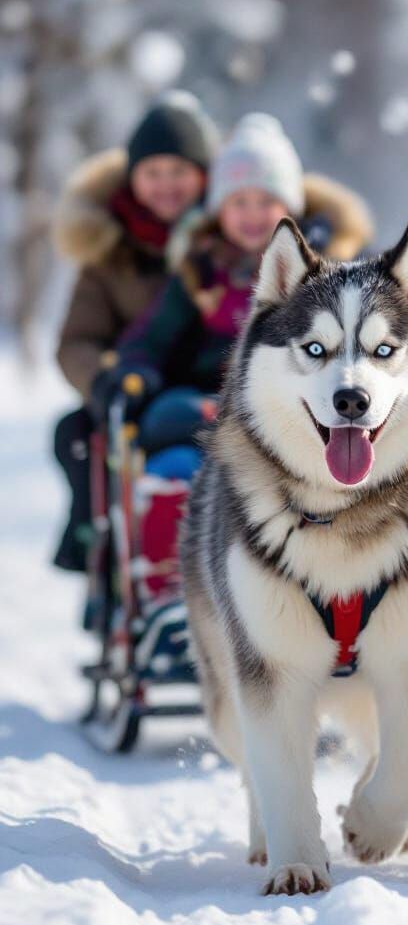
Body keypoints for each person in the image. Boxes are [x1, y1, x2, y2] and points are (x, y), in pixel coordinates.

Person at [96, 113, 374, 605]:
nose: (251, 213)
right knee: (173, 444)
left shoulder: (327, 271)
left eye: (266, 201)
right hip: (208, 406)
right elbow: (151, 337)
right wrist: (134, 369)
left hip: (300, 412)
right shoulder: (199, 272)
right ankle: (172, 593)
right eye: (238, 201)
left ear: (289, 206)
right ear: (218, 209)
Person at [52, 91, 219, 571]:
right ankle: (103, 554)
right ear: (133, 179)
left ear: (204, 175)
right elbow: (76, 340)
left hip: (215, 385)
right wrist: (103, 378)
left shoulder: (231, 236)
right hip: (136, 386)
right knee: (78, 435)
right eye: (153, 173)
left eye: (179, 172)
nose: (166, 185)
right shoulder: (111, 251)